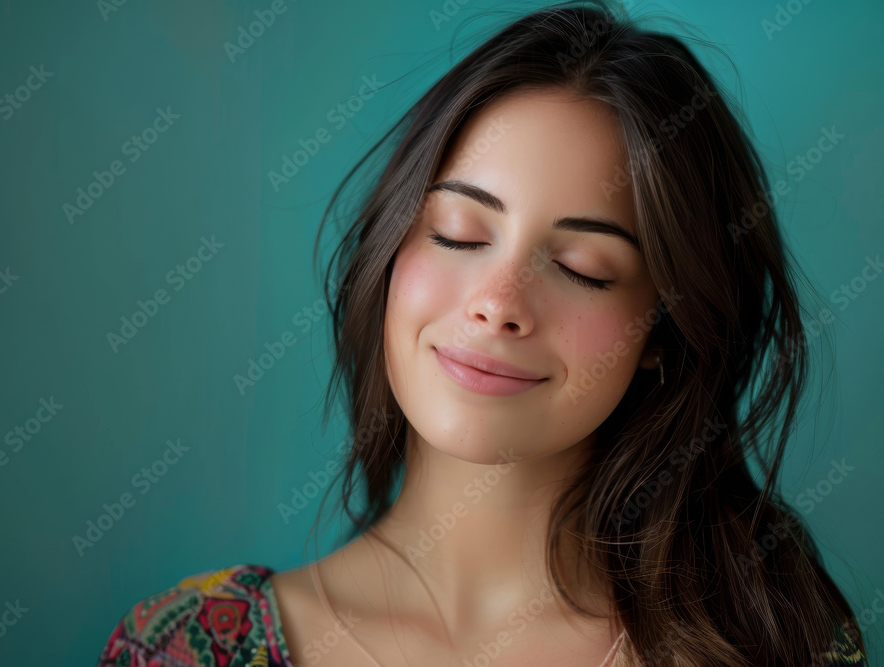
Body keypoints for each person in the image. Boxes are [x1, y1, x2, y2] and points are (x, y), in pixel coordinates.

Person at [95, 2, 869, 665]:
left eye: (584, 266)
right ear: (388, 253)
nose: (499, 303)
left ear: (665, 331)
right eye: (459, 233)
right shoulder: (187, 646)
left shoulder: (771, 641)